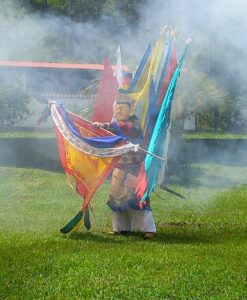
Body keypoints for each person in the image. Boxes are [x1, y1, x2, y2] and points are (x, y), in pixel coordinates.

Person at [94, 94, 156, 239]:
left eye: (123, 108)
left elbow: (119, 128)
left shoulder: (132, 126)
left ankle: (149, 229)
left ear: (131, 111)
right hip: (120, 168)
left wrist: (102, 126)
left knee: (138, 200)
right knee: (116, 199)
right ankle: (120, 228)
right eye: (117, 108)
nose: (119, 111)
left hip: (134, 169)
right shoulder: (117, 124)